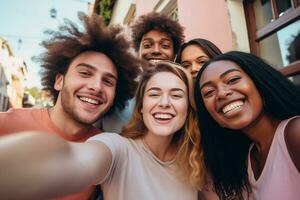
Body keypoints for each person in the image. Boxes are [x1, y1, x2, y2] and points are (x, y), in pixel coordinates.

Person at [0, 61, 204, 200]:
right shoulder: (118, 148)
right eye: (154, 94)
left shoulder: (196, 160)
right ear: (141, 106)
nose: (164, 103)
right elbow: (71, 159)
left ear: (189, 106)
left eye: (176, 95)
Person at [0, 12, 141, 200]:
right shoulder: (7, 124)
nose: (96, 86)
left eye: (108, 81)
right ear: (59, 81)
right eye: (85, 73)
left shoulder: (108, 148)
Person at [194, 51, 300, 200]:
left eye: (233, 79)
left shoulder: (295, 132)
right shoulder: (248, 158)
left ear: (260, 82)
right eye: (209, 92)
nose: (222, 93)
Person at [99, 11, 185, 133]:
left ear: (174, 54)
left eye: (165, 46)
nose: (156, 50)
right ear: (138, 51)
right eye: (147, 45)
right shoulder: (120, 88)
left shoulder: (184, 91)